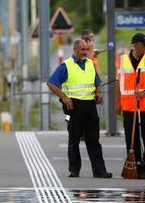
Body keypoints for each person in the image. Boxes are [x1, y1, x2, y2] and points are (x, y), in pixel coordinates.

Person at [47, 39, 112, 178]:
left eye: (87, 49)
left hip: (90, 106)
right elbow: (51, 83)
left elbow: (97, 82)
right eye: (82, 49)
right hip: (74, 107)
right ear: (75, 50)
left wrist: (98, 93)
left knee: (94, 140)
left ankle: (100, 170)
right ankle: (74, 169)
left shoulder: (90, 63)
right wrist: (64, 98)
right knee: (74, 139)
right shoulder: (66, 65)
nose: (85, 52)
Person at [116, 33, 145, 179]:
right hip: (129, 105)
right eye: (144, 44)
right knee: (131, 137)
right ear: (135, 46)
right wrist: (118, 103)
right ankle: (135, 165)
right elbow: (118, 82)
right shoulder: (122, 60)